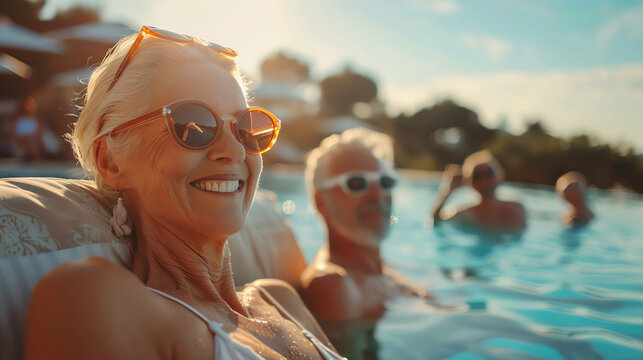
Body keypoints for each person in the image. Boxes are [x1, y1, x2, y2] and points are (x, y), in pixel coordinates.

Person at [23, 25, 344, 360]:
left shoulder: (282, 300)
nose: (234, 150)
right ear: (111, 161)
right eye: (194, 125)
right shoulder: (94, 298)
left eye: (245, 127)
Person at [300, 128, 434, 359]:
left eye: (385, 182)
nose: (378, 194)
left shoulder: (384, 269)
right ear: (321, 202)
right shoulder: (335, 285)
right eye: (356, 183)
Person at [431, 150, 526, 230]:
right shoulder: (463, 214)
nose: (483, 181)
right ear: (468, 182)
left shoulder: (517, 209)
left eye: (488, 173)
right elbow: (434, 223)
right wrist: (448, 192)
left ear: (500, 175)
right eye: (477, 176)